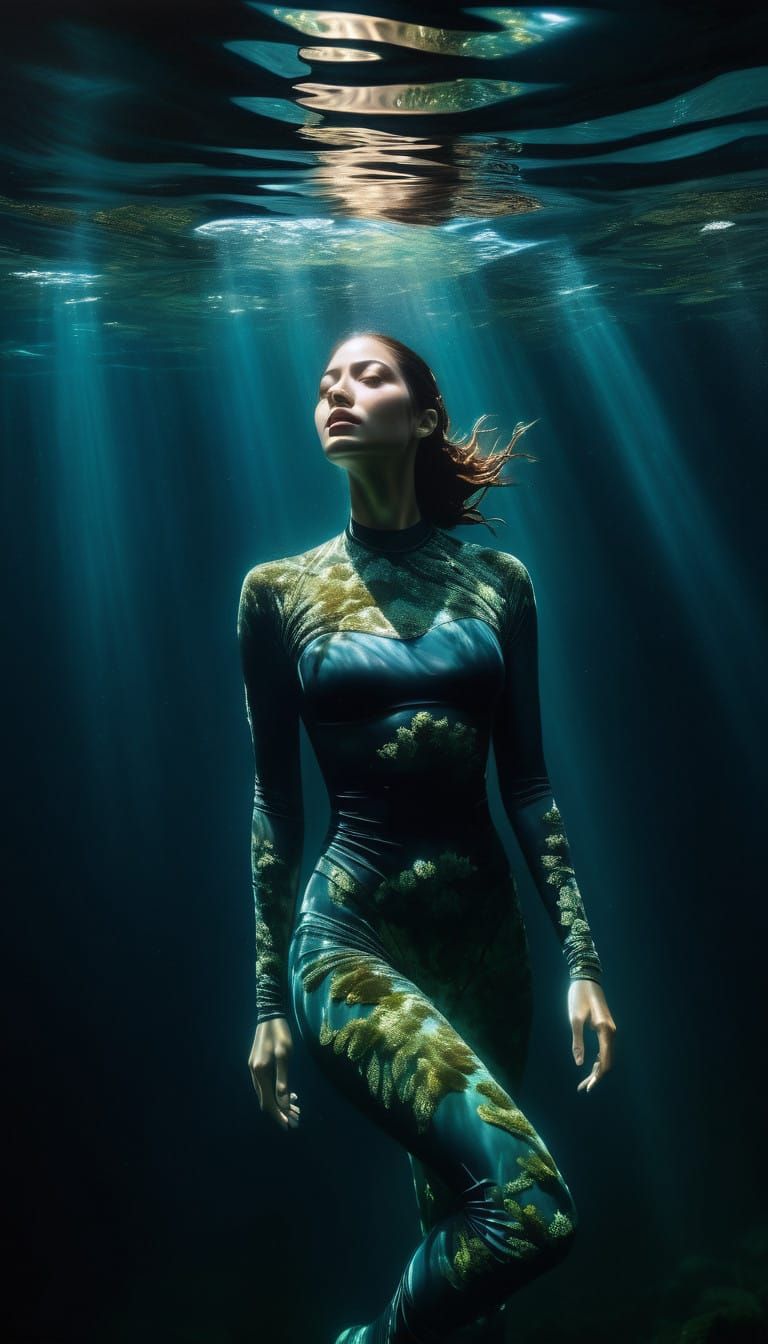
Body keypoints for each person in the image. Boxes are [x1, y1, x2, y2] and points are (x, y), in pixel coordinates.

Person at [237, 331, 617, 1343]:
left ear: (425, 414)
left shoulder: (501, 581)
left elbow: (529, 783)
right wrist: (269, 999)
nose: (337, 391)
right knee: (530, 1208)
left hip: (485, 950)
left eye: (367, 375)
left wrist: (582, 961)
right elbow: (276, 804)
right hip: (348, 942)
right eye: (325, 381)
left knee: (475, 1250)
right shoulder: (278, 592)